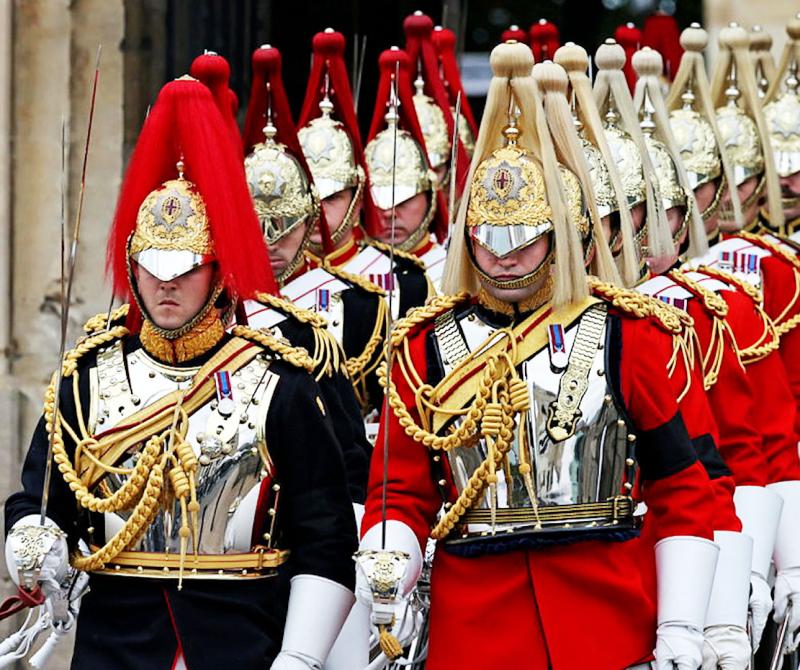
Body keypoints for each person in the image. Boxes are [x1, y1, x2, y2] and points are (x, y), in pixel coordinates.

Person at [357, 41, 720, 670]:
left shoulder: (626, 334)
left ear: (563, 235)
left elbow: (679, 484)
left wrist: (684, 623)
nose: (503, 254)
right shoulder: (421, 345)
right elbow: (399, 490)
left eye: (524, 238)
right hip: (477, 624)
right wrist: (391, 550)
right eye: (488, 237)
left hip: (607, 611)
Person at [4, 76, 357, 670]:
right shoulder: (86, 378)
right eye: (152, 265)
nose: (166, 282)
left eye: (186, 267)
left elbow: (324, 532)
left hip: (242, 635)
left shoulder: (281, 383)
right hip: (116, 639)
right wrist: (32, 539)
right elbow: (41, 494)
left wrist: (300, 655)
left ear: (218, 270)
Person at [241, 44, 389, 417]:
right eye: (260, 225)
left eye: (284, 226)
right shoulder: (218, 306)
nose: (271, 241)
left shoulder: (365, 306)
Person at [297, 28, 432, 321]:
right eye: (310, 197)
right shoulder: (276, 278)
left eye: (332, 197)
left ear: (358, 199)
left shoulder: (406, 281)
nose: (318, 209)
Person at [364, 47, 450, 292]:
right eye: (380, 200)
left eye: (404, 199)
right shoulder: (349, 273)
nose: (390, 213)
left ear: (429, 196)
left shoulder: (451, 270)